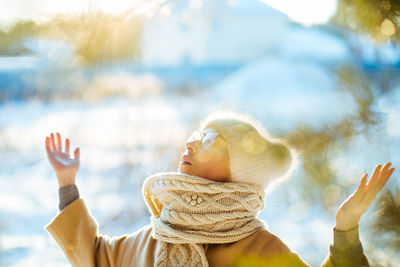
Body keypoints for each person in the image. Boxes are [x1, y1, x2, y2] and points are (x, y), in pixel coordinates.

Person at [45, 111, 395, 267]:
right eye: (196, 134)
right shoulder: (156, 238)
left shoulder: (260, 249)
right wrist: (67, 182)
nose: (191, 142)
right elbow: (93, 257)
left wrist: (345, 228)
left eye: (209, 139)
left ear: (238, 169)